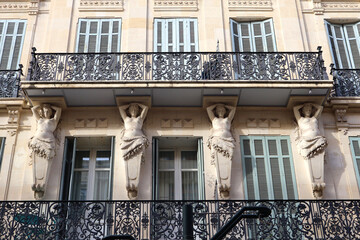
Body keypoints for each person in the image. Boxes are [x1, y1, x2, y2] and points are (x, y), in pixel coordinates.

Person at [29, 104, 61, 199]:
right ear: (42, 112)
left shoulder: (53, 120)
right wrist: (42, 105)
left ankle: (42, 184)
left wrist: (50, 105)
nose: (46, 112)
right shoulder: (40, 120)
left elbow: (58, 109)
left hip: (48, 141)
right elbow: (33, 109)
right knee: (37, 160)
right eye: (44, 111)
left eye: (48, 111)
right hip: (38, 139)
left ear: (51, 113)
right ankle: (37, 184)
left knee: (47, 160)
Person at [119, 103, 149, 199]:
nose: (134, 111)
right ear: (129, 110)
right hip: (127, 141)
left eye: (136, 109)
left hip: (138, 140)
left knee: (137, 160)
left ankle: (134, 183)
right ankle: (131, 183)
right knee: (128, 162)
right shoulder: (126, 119)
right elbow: (120, 108)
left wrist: (137, 104)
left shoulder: (139, 119)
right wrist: (129, 104)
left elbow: (146, 108)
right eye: (132, 109)